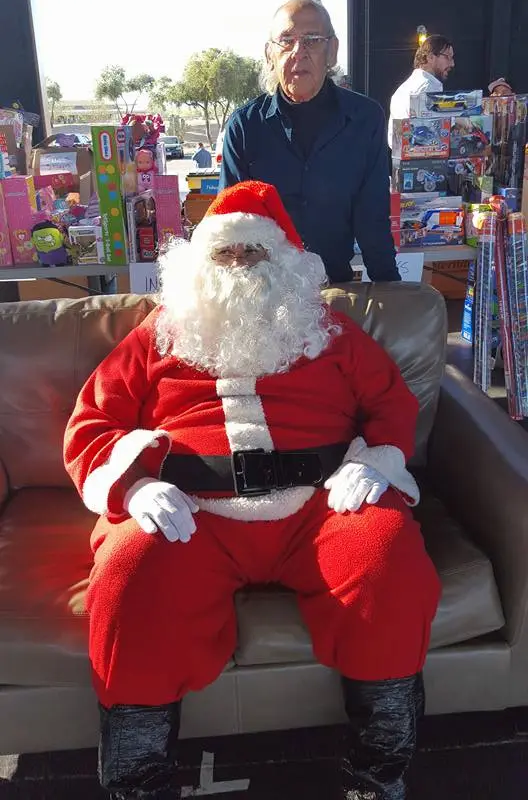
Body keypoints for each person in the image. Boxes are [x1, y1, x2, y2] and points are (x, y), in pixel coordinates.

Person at [64, 180, 440, 800]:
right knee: (131, 574)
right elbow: (92, 421)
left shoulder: (329, 332)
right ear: (200, 264)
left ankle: (377, 777)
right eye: (225, 254)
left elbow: (389, 403)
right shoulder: (158, 336)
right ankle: (139, 786)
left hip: (321, 506)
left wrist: (377, 460)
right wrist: (131, 489)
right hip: (194, 514)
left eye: (254, 254)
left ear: (286, 263)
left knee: (386, 560)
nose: (238, 267)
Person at [219, 0, 400, 283]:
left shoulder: (365, 120)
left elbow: (373, 221)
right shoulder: (244, 127)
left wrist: (393, 296)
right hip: (262, 296)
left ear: (332, 51)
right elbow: (230, 226)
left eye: (313, 40)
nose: (298, 51)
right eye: (287, 40)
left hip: (335, 291)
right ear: (270, 54)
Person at [388, 35, 455, 147]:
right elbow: (431, 137)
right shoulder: (427, 87)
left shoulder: (404, 88)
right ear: (430, 57)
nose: (452, 64)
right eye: (448, 57)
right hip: (426, 160)